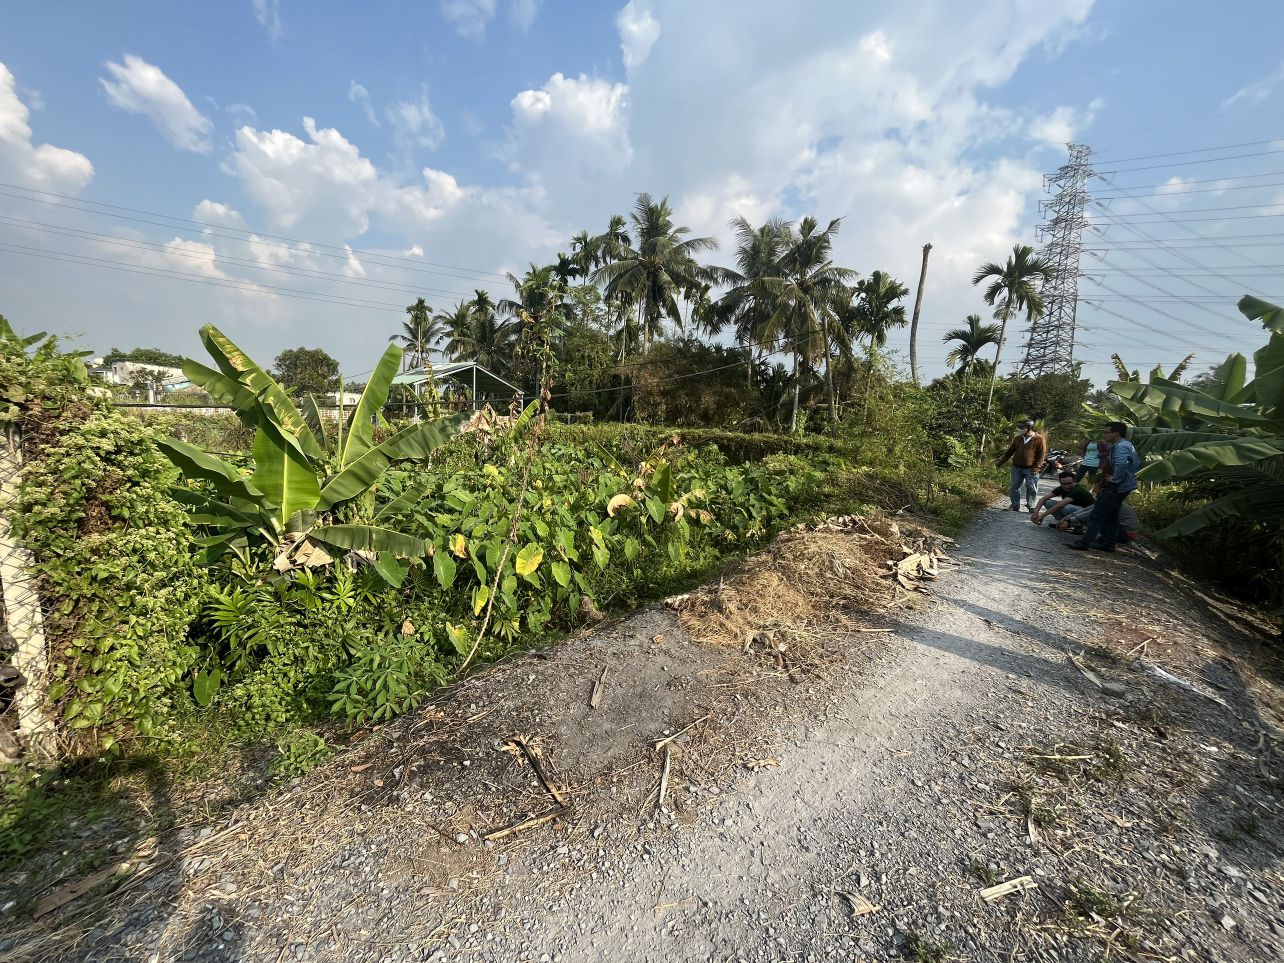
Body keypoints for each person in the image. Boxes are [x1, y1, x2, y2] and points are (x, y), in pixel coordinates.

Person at [1068, 421, 1140, 553]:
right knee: (1112, 516)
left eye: (1107, 432)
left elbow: (1122, 464)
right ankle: (1109, 544)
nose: (1105, 435)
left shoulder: (1121, 447)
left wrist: (1115, 478)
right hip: (1123, 486)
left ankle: (1085, 542)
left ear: (1116, 433)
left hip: (1116, 486)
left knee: (1098, 513)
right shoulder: (1126, 444)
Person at [996, 419, 1046, 512]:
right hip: (1017, 467)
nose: (1020, 430)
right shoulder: (1018, 438)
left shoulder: (1039, 439)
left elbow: (1041, 454)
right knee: (1014, 486)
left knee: (1031, 487)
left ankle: (1031, 505)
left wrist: (1037, 467)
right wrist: (1001, 462)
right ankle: (1015, 505)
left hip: (1031, 468)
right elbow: (1010, 452)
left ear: (1029, 428)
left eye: (1022, 428)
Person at [1030, 471, 1095, 526]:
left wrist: (1042, 516)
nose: (1066, 486)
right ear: (1060, 482)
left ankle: (1077, 526)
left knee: (1066, 507)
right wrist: (1035, 512)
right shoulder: (1061, 488)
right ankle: (1061, 522)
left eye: (1069, 483)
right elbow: (1043, 499)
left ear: (1075, 481)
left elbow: (1060, 505)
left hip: (1087, 515)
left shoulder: (1078, 490)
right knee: (1048, 502)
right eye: (1063, 484)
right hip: (1074, 511)